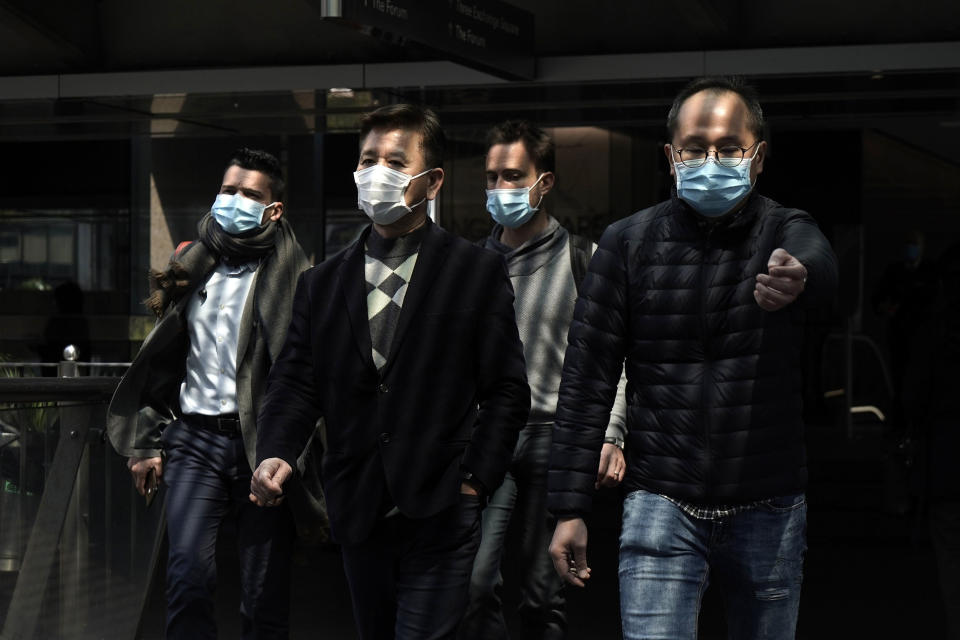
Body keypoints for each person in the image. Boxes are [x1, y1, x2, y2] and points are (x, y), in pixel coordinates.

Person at [547, 77, 839, 640]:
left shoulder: (785, 228)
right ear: (669, 156)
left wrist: (799, 276)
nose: (711, 159)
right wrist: (568, 507)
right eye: (694, 147)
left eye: (729, 147)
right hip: (661, 501)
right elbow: (587, 376)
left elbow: (818, 261)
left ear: (757, 158)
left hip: (769, 503)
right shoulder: (627, 243)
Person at [250, 104, 531, 640]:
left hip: (443, 503)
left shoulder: (474, 270)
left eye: (395, 161)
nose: (376, 171)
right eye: (367, 159)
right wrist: (277, 451)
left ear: (432, 179)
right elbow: (295, 380)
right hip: (358, 503)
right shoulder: (322, 283)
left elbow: (506, 388)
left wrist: (475, 480)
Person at [107, 147, 325, 639]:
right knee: (187, 577)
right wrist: (147, 441)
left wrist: (290, 449)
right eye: (229, 190)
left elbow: (307, 375)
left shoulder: (300, 276)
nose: (234, 201)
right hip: (195, 441)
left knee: (263, 592)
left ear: (274, 210)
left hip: (263, 446)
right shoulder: (190, 261)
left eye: (250, 194)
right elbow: (162, 358)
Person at [460, 120, 627, 640]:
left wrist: (611, 432)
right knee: (472, 583)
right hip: (488, 437)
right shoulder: (471, 265)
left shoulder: (584, 259)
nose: (500, 189)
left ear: (545, 182)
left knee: (541, 594)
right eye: (491, 177)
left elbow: (615, 355)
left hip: (556, 436)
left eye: (513, 176)